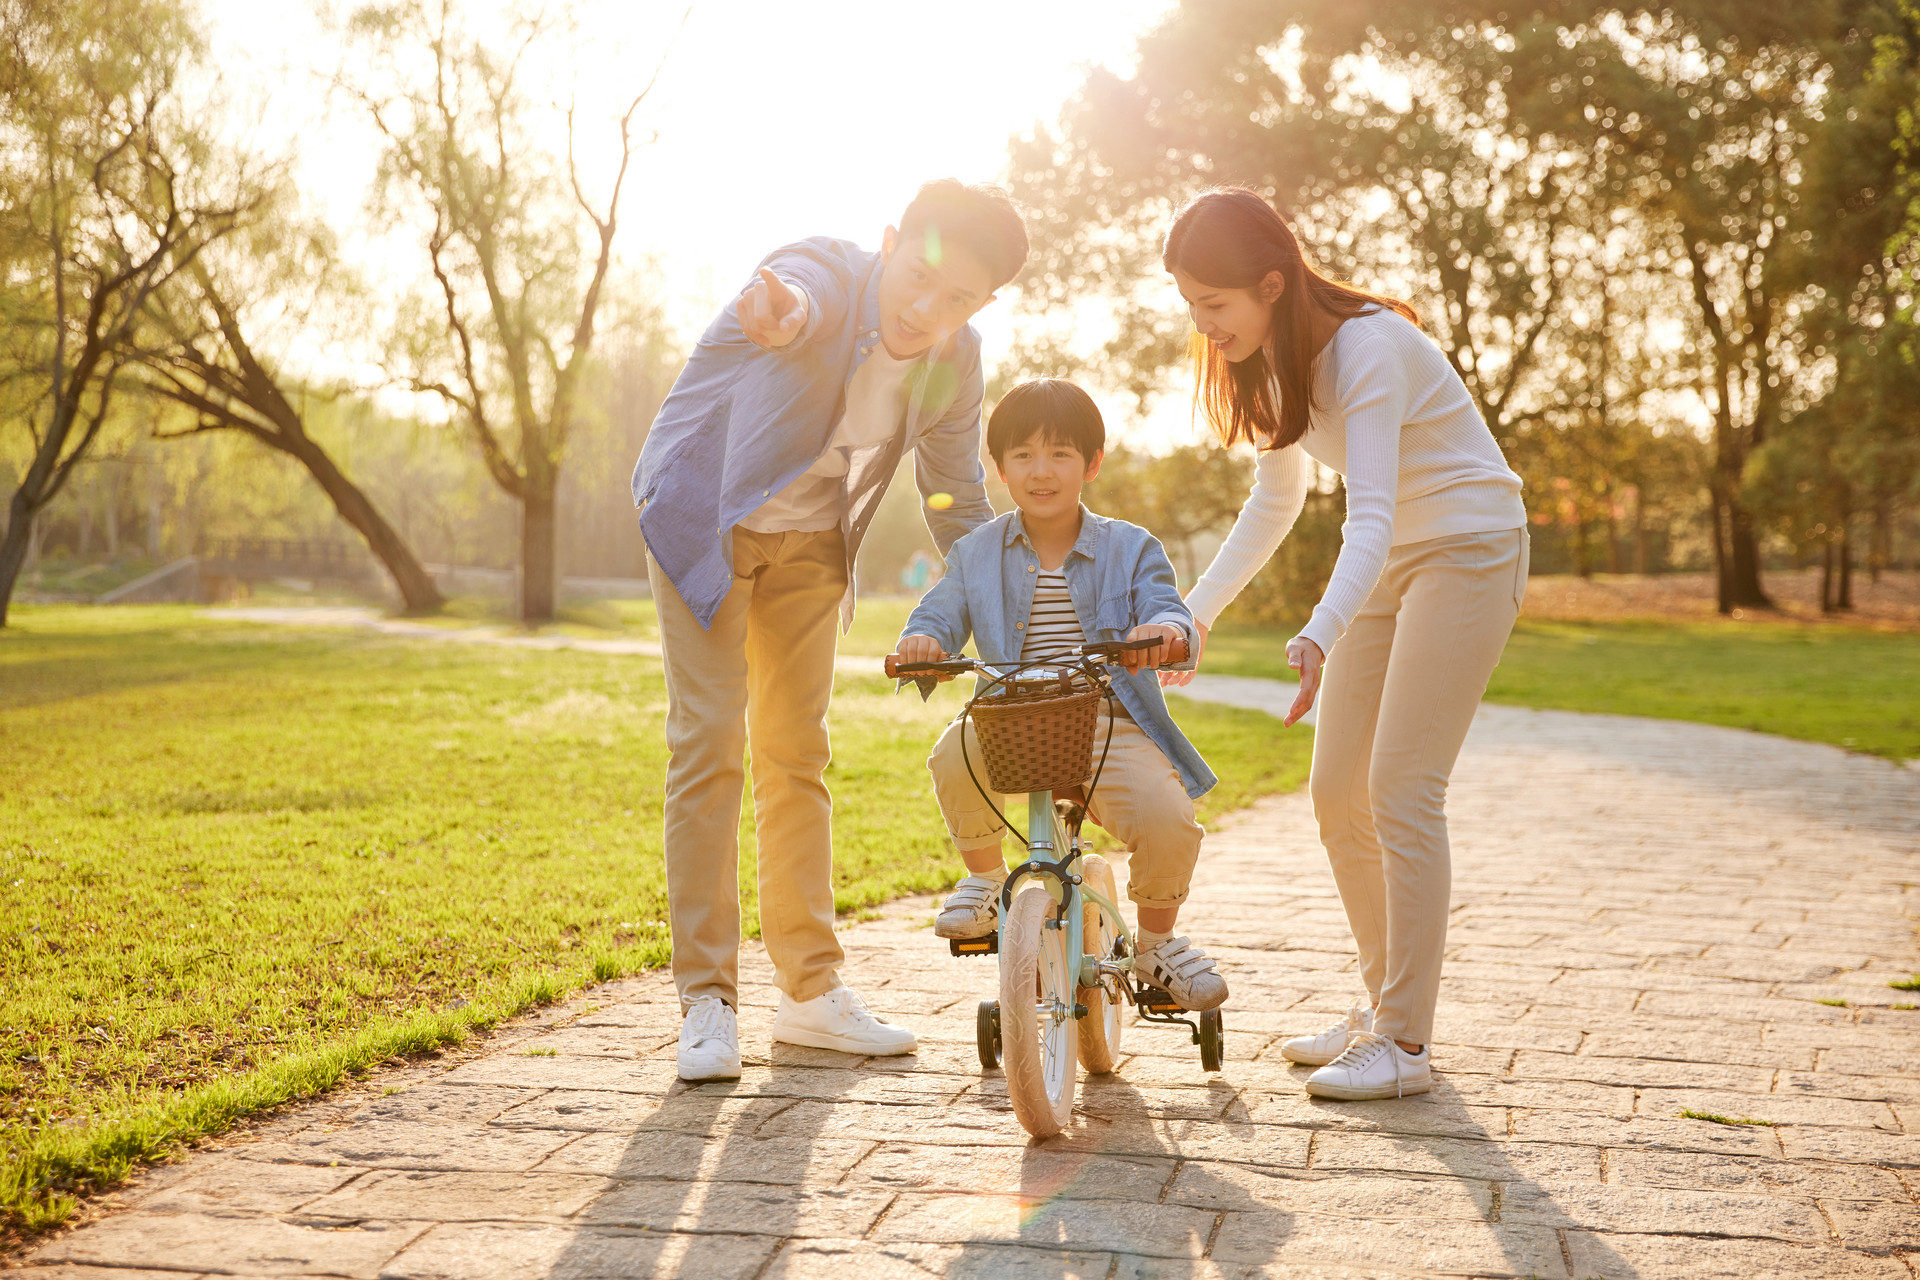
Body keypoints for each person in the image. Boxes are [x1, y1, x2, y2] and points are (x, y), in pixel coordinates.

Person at [632, 181, 1028, 1081]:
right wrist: (780, 310)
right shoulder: (821, 275)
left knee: (795, 753)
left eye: (959, 299)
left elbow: (954, 495)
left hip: (814, 542)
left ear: (985, 305)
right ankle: (708, 1001)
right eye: (919, 278)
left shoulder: (955, 359)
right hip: (706, 520)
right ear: (889, 241)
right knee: (709, 742)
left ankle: (810, 996)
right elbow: (793, 298)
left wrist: (1007, 609)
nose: (927, 309)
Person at [1159, 189, 1529, 1099]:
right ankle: (1380, 1010)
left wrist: (1319, 630)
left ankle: (1404, 1044)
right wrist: (1194, 615)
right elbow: (1276, 502)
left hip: (1468, 549)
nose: (1205, 328)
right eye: (1190, 308)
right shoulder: (1270, 362)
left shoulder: (1366, 348)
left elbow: (1368, 516)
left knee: (1402, 789)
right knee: (1335, 796)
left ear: (1273, 285)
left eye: (1215, 305)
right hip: (1390, 561)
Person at [895, 379, 1229, 1010]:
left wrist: (1164, 630)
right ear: (999, 468)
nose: (1040, 471)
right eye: (1022, 455)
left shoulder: (1132, 548)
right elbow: (939, 614)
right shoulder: (975, 552)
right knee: (951, 753)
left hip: (1107, 719)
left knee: (1169, 818)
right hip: (1009, 721)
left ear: (1091, 464)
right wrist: (923, 642)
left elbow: (1166, 608)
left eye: (1060, 455)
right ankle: (986, 879)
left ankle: (1158, 944)